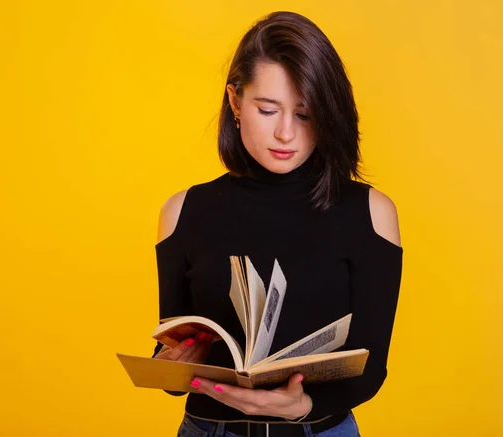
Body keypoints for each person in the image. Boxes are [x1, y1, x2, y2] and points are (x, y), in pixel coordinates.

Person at [151, 10, 403, 437]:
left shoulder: (372, 213)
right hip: (208, 429)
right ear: (235, 101)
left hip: (320, 430)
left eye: (305, 115)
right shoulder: (182, 211)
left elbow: (372, 366)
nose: (286, 133)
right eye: (267, 109)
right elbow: (175, 347)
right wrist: (170, 366)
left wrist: (303, 404)